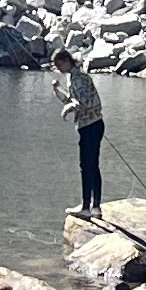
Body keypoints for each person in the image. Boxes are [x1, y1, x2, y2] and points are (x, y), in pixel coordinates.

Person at [50, 49, 106, 215]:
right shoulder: (75, 77)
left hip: (90, 127)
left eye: (60, 65)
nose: (59, 69)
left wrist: (67, 109)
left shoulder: (78, 78)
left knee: (86, 167)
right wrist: (57, 91)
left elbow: (83, 102)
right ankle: (95, 206)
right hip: (95, 124)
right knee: (93, 166)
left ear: (67, 61)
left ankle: (85, 207)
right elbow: (72, 100)